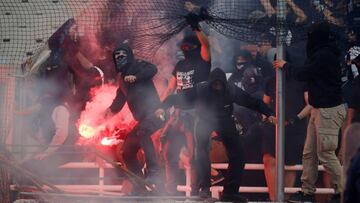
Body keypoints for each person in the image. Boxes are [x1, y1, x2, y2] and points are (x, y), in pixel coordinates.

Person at [157, 68, 276, 202]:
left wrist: (269, 113)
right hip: (204, 120)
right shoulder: (200, 89)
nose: (217, 87)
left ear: (224, 84)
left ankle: (230, 193)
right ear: (210, 83)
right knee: (201, 152)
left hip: (225, 120)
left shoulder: (232, 90)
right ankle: (205, 188)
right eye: (215, 84)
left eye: (220, 84)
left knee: (239, 155)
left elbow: (251, 101)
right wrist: (162, 106)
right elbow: (177, 98)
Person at [274, 22, 346, 203]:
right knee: (309, 154)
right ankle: (307, 192)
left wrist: (285, 65)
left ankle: (343, 192)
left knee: (326, 154)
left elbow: (302, 74)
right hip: (318, 109)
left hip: (328, 111)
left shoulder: (324, 55)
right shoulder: (322, 53)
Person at [160, 2, 211, 195]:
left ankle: (199, 190)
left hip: (197, 114)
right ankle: (169, 191)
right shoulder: (180, 64)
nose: (184, 48)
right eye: (183, 46)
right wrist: (161, 107)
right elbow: (171, 89)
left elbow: (206, 44)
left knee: (196, 153)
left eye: (188, 46)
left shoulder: (203, 60)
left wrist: (197, 27)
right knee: (169, 152)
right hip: (178, 114)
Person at [105, 42, 165, 194]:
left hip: (157, 114)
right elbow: (119, 101)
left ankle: (154, 173)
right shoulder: (122, 80)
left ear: (129, 56)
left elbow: (153, 69)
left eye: (122, 55)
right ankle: (139, 185)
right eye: (116, 56)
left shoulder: (138, 65)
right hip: (143, 120)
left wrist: (136, 77)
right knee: (127, 151)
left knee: (142, 132)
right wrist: (108, 112)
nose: (119, 58)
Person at [261, 74, 310, 201]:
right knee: (268, 159)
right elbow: (265, 103)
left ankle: (285, 199)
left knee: (289, 163)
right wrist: (266, 116)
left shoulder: (301, 80)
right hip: (273, 126)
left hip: (294, 128)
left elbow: (310, 104)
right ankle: (274, 199)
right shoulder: (270, 80)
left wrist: (295, 118)